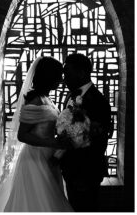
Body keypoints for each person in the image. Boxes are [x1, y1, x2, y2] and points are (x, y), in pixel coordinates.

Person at [0, 57, 73, 212]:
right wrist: (53, 143)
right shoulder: (34, 100)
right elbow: (22, 135)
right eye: (58, 76)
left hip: (50, 157)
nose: (61, 80)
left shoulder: (46, 98)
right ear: (49, 77)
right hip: (35, 158)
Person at [61, 53, 111, 212]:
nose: (64, 78)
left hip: (85, 173)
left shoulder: (97, 100)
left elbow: (99, 141)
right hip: (71, 169)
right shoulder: (71, 94)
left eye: (67, 72)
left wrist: (83, 176)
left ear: (81, 73)